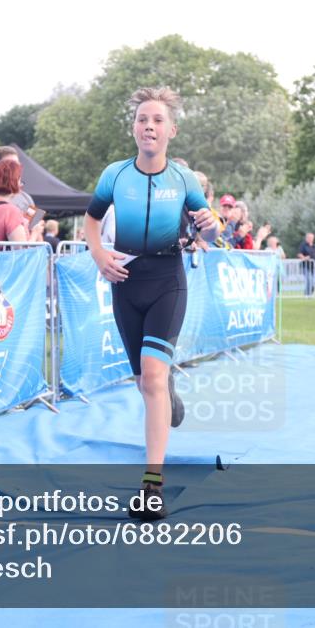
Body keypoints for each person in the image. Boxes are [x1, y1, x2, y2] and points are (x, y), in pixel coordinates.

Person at [82, 86, 218, 521]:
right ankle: (168, 397)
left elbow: (209, 234)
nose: (149, 126)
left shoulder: (184, 181)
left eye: (158, 120)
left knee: (154, 378)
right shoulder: (114, 175)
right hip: (125, 281)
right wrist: (100, 256)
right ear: (134, 129)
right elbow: (91, 220)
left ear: (171, 131)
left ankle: (151, 486)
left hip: (166, 282)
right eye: (143, 119)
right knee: (146, 383)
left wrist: (210, 225)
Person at [296, 232, 315, 297]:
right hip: (306, 266)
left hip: (314, 267)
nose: (310, 239)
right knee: (309, 279)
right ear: (306, 238)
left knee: (313, 281)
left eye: (312, 238)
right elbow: (299, 254)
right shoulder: (303, 245)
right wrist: (304, 258)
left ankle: (309, 293)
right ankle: (307, 294)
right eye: (309, 237)